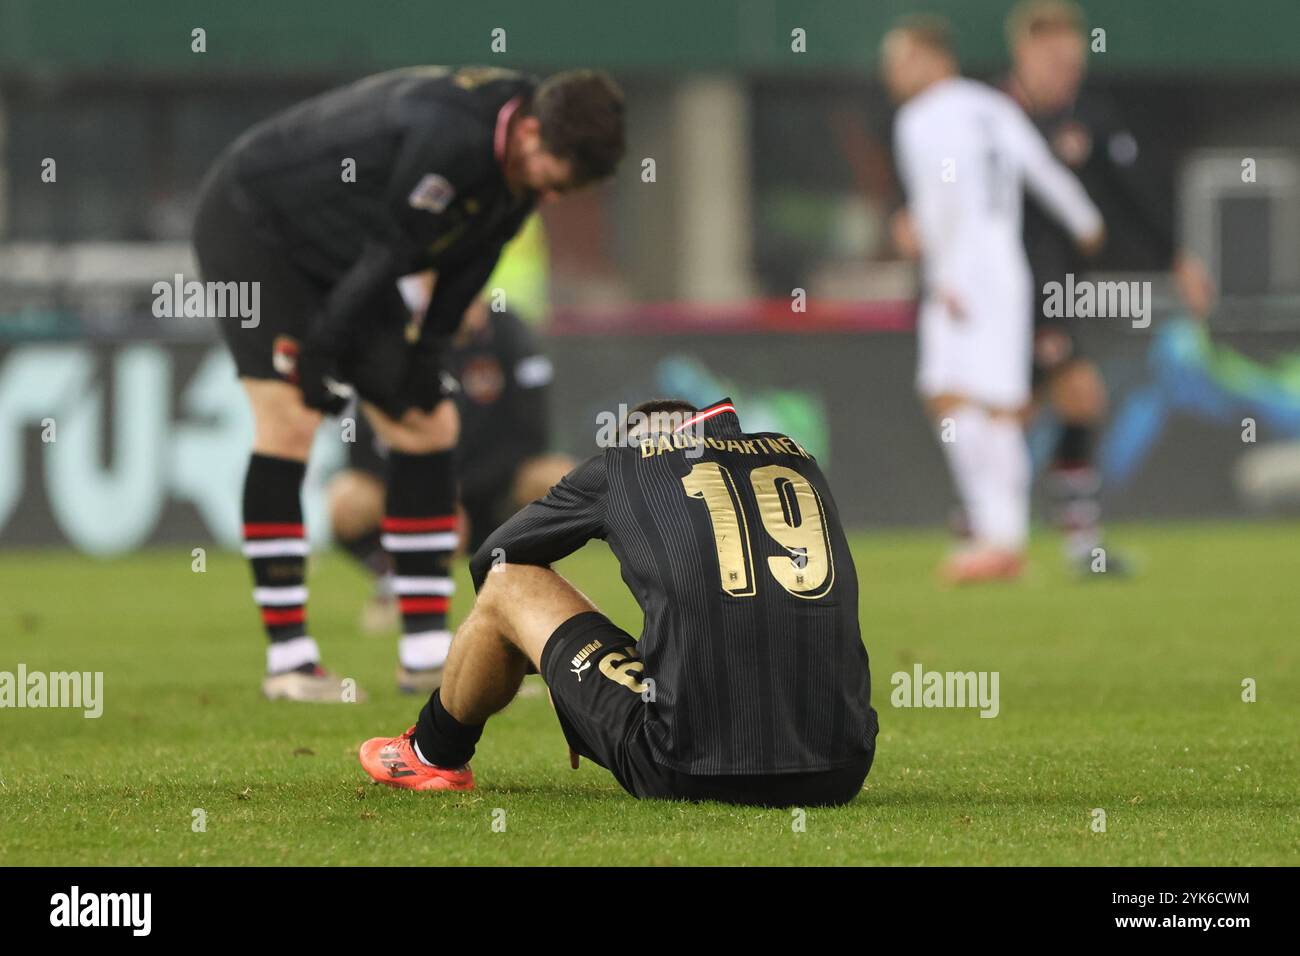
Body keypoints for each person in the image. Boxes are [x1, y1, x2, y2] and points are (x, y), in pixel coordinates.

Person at [192, 65, 625, 701]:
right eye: (558, 178)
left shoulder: (525, 153)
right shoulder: (449, 136)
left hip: (347, 256)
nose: (556, 196)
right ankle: (290, 660)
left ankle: (424, 655)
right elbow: (392, 256)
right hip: (255, 227)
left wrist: (429, 355)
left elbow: (468, 261)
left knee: (428, 420)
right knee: (289, 416)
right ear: (531, 132)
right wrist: (321, 354)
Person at [358, 399, 878, 807]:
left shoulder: (624, 464)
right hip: (842, 768)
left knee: (506, 585)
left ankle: (432, 752)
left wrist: (562, 674)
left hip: (690, 766)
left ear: (638, 438)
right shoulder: (799, 457)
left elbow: (493, 560)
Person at [882, 16, 1104, 583]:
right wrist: (1086, 221)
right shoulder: (992, 105)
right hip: (1007, 267)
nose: (892, 74)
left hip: (960, 267)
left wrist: (939, 270)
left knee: (946, 394)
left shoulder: (918, 118)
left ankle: (996, 534)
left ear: (931, 58)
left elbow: (939, 198)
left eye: (899, 60)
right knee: (1000, 403)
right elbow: (1044, 172)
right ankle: (1002, 537)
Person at [1004, 0, 1216, 572]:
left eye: (1073, 64)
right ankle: (1052, 541)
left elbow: (1132, 195)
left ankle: (1004, 534)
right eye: (1054, 63)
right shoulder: (993, 116)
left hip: (1056, 294)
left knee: (1029, 408)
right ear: (1023, 53)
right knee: (1066, 398)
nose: (1065, 75)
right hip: (1001, 295)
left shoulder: (1089, 120)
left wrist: (1176, 257)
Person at [327, 291, 575, 676]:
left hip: (492, 496)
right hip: (416, 491)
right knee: (346, 499)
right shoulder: (396, 338)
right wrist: (429, 491)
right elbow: (362, 446)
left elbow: (531, 436)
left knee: (558, 477)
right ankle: (396, 578)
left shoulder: (510, 333)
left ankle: (527, 586)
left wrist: (458, 491)